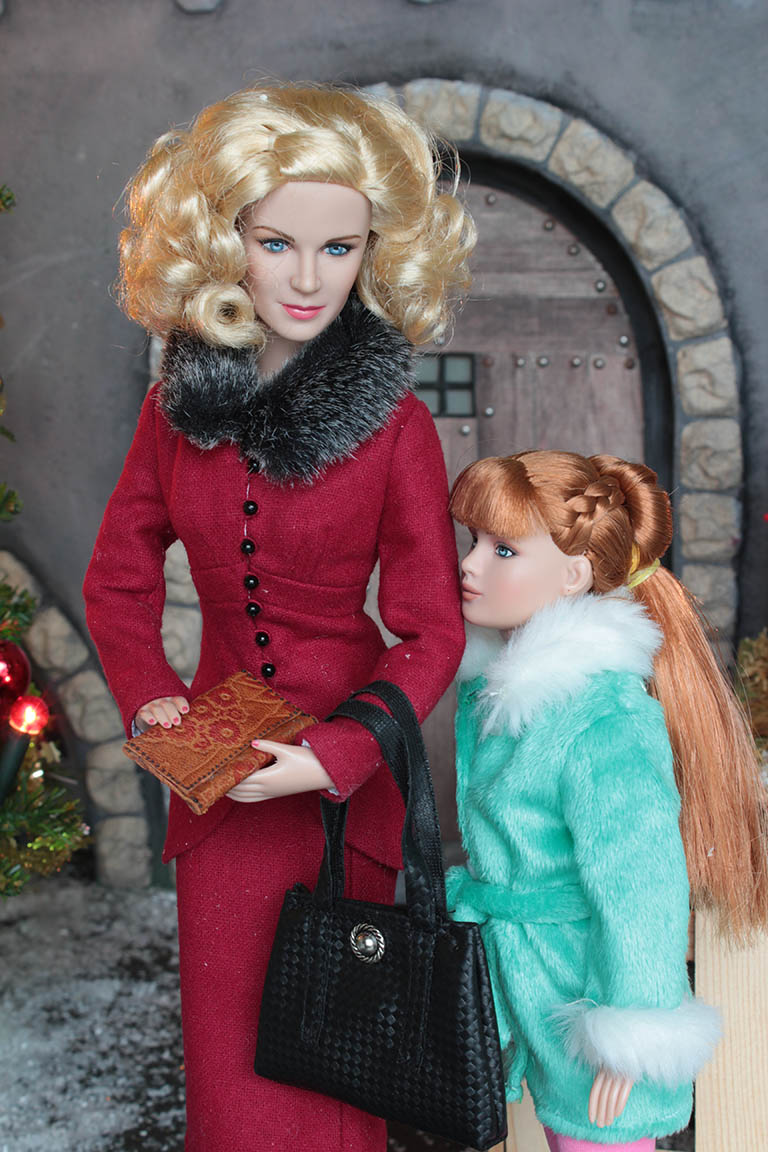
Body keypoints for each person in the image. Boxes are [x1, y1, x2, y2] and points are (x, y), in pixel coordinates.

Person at [83, 83, 475, 1151]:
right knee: (231, 1078)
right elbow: (117, 579)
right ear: (224, 244)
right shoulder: (176, 412)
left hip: (343, 792)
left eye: (339, 248)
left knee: (336, 1070)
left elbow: (432, 631)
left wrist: (337, 754)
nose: (308, 278)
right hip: (220, 781)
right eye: (277, 243)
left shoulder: (396, 427)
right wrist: (151, 697)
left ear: (376, 253)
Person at [445, 450, 768, 1151]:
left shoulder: (602, 716)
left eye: (503, 549)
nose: (469, 564)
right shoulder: (511, 702)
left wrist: (633, 1021)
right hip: (528, 978)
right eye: (473, 540)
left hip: (586, 990)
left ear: (574, 575)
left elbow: (642, 882)